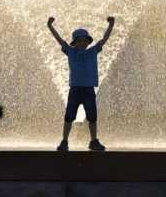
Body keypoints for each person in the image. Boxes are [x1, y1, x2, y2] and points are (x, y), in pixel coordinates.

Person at [47, 16, 115, 151]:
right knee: (69, 116)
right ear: (75, 42)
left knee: (92, 117)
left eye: (85, 40)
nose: (82, 43)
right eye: (79, 40)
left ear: (88, 42)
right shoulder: (70, 52)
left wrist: (111, 25)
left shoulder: (93, 51)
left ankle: (93, 141)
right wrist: (50, 26)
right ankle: (64, 141)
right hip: (75, 90)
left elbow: (104, 40)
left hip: (89, 89)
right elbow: (59, 40)